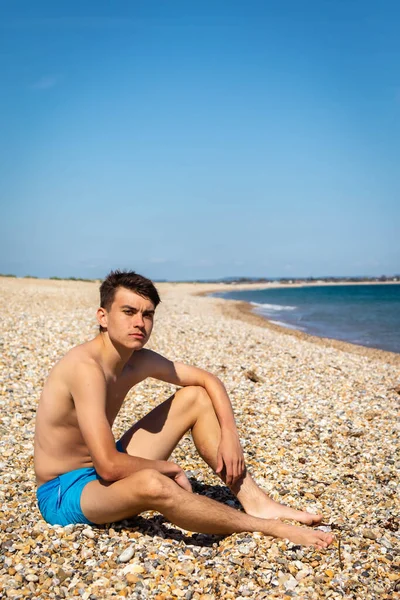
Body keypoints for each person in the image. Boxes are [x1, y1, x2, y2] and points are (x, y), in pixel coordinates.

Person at [34, 270, 333, 548]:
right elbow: (108, 466)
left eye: (147, 314)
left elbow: (207, 380)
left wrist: (230, 435)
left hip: (102, 465)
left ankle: (257, 502)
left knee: (196, 397)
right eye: (128, 312)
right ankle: (266, 527)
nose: (139, 322)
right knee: (154, 484)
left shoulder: (137, 360)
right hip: (64, 491)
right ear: (103, 316)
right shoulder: (85, 369)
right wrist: (169, 468)